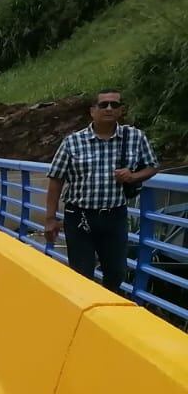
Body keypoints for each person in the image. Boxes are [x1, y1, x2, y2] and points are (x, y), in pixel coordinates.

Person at [43, 89, 159, 293]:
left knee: (116, 272)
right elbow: (56, 180)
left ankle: (106, 313)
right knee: (82, 275)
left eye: (114, 105)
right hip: (79, 217)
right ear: (92, 111)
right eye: (103, 105)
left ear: (121, 110)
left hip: (115, 216)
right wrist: (50, 219)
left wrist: (133, 176)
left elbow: (152, 166)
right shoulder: (73, 142)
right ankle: (84, 314)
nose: (109, 108)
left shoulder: (135, 137)